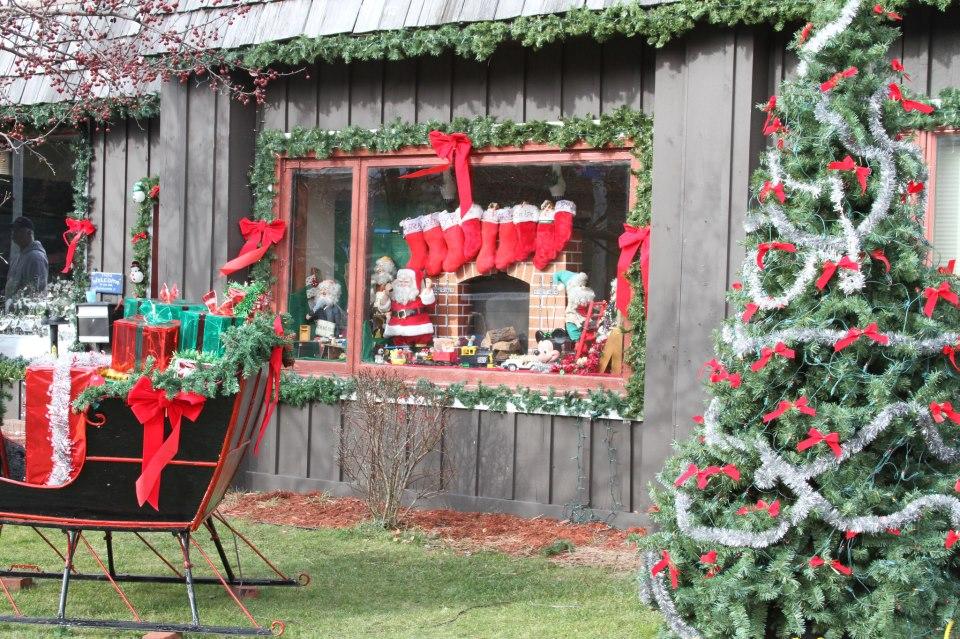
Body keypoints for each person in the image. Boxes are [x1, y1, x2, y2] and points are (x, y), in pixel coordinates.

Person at [5, 216, 48, 300]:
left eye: (17, 230)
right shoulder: (17, 257)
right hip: (11, 309)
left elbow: (37, 291)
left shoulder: (36, 257)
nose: (13, 233)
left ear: (29, 233)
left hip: (26, 311)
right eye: (13, 230)